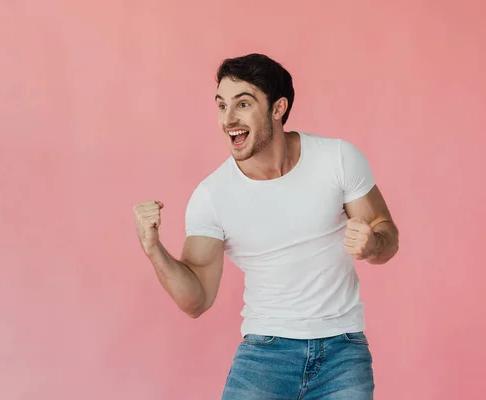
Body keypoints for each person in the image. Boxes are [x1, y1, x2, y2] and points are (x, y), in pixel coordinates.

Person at [132, 53, 399, 400]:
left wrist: (372, 244)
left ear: (278, 108)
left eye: (243, 104)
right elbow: (195, 299)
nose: (229, 119)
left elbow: (387, 235)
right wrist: (154, 249)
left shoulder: (338, 159)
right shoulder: (212, 195)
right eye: (221, 105)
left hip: (343, 352)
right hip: (264, 355)